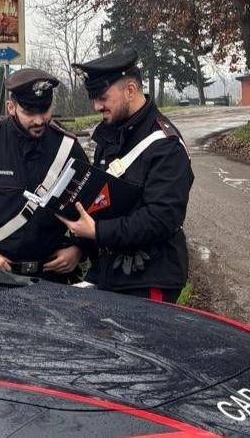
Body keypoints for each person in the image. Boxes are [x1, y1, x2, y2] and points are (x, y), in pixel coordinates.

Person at [56, 48, 193, 302]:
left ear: (130, 91)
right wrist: (81, 245)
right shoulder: (111, 135)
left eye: (103, 98)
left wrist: (97, 231)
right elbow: (101, 201)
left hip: (150, 276)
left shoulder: (166, 145)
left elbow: (162, 218)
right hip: (112, 271)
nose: (97, 106)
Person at [0, 68, 90, 283]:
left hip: (51, 277)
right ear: (11, 107)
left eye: (44, 110)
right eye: (30, 113)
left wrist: (78, 249)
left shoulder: (67, 148)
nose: (39, 120)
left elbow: (90, 206)